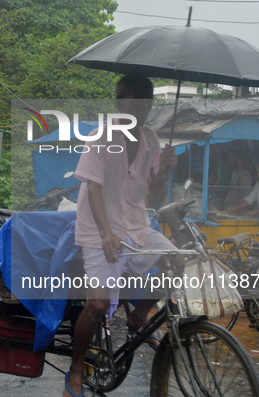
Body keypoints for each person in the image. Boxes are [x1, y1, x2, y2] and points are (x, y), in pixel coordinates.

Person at [64, 74, 180, 397]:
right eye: (133, 100)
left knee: (178, 261)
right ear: (119, 102)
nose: (141, 107)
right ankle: (75, 369)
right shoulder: (102, 136)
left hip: (136, 226)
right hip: (99, 230)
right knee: (97, 304)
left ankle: (141, 312)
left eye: (146, 101)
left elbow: (152, 194)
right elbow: (93, 190)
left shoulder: (151, 140)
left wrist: (163, 172)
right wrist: (105, 234)